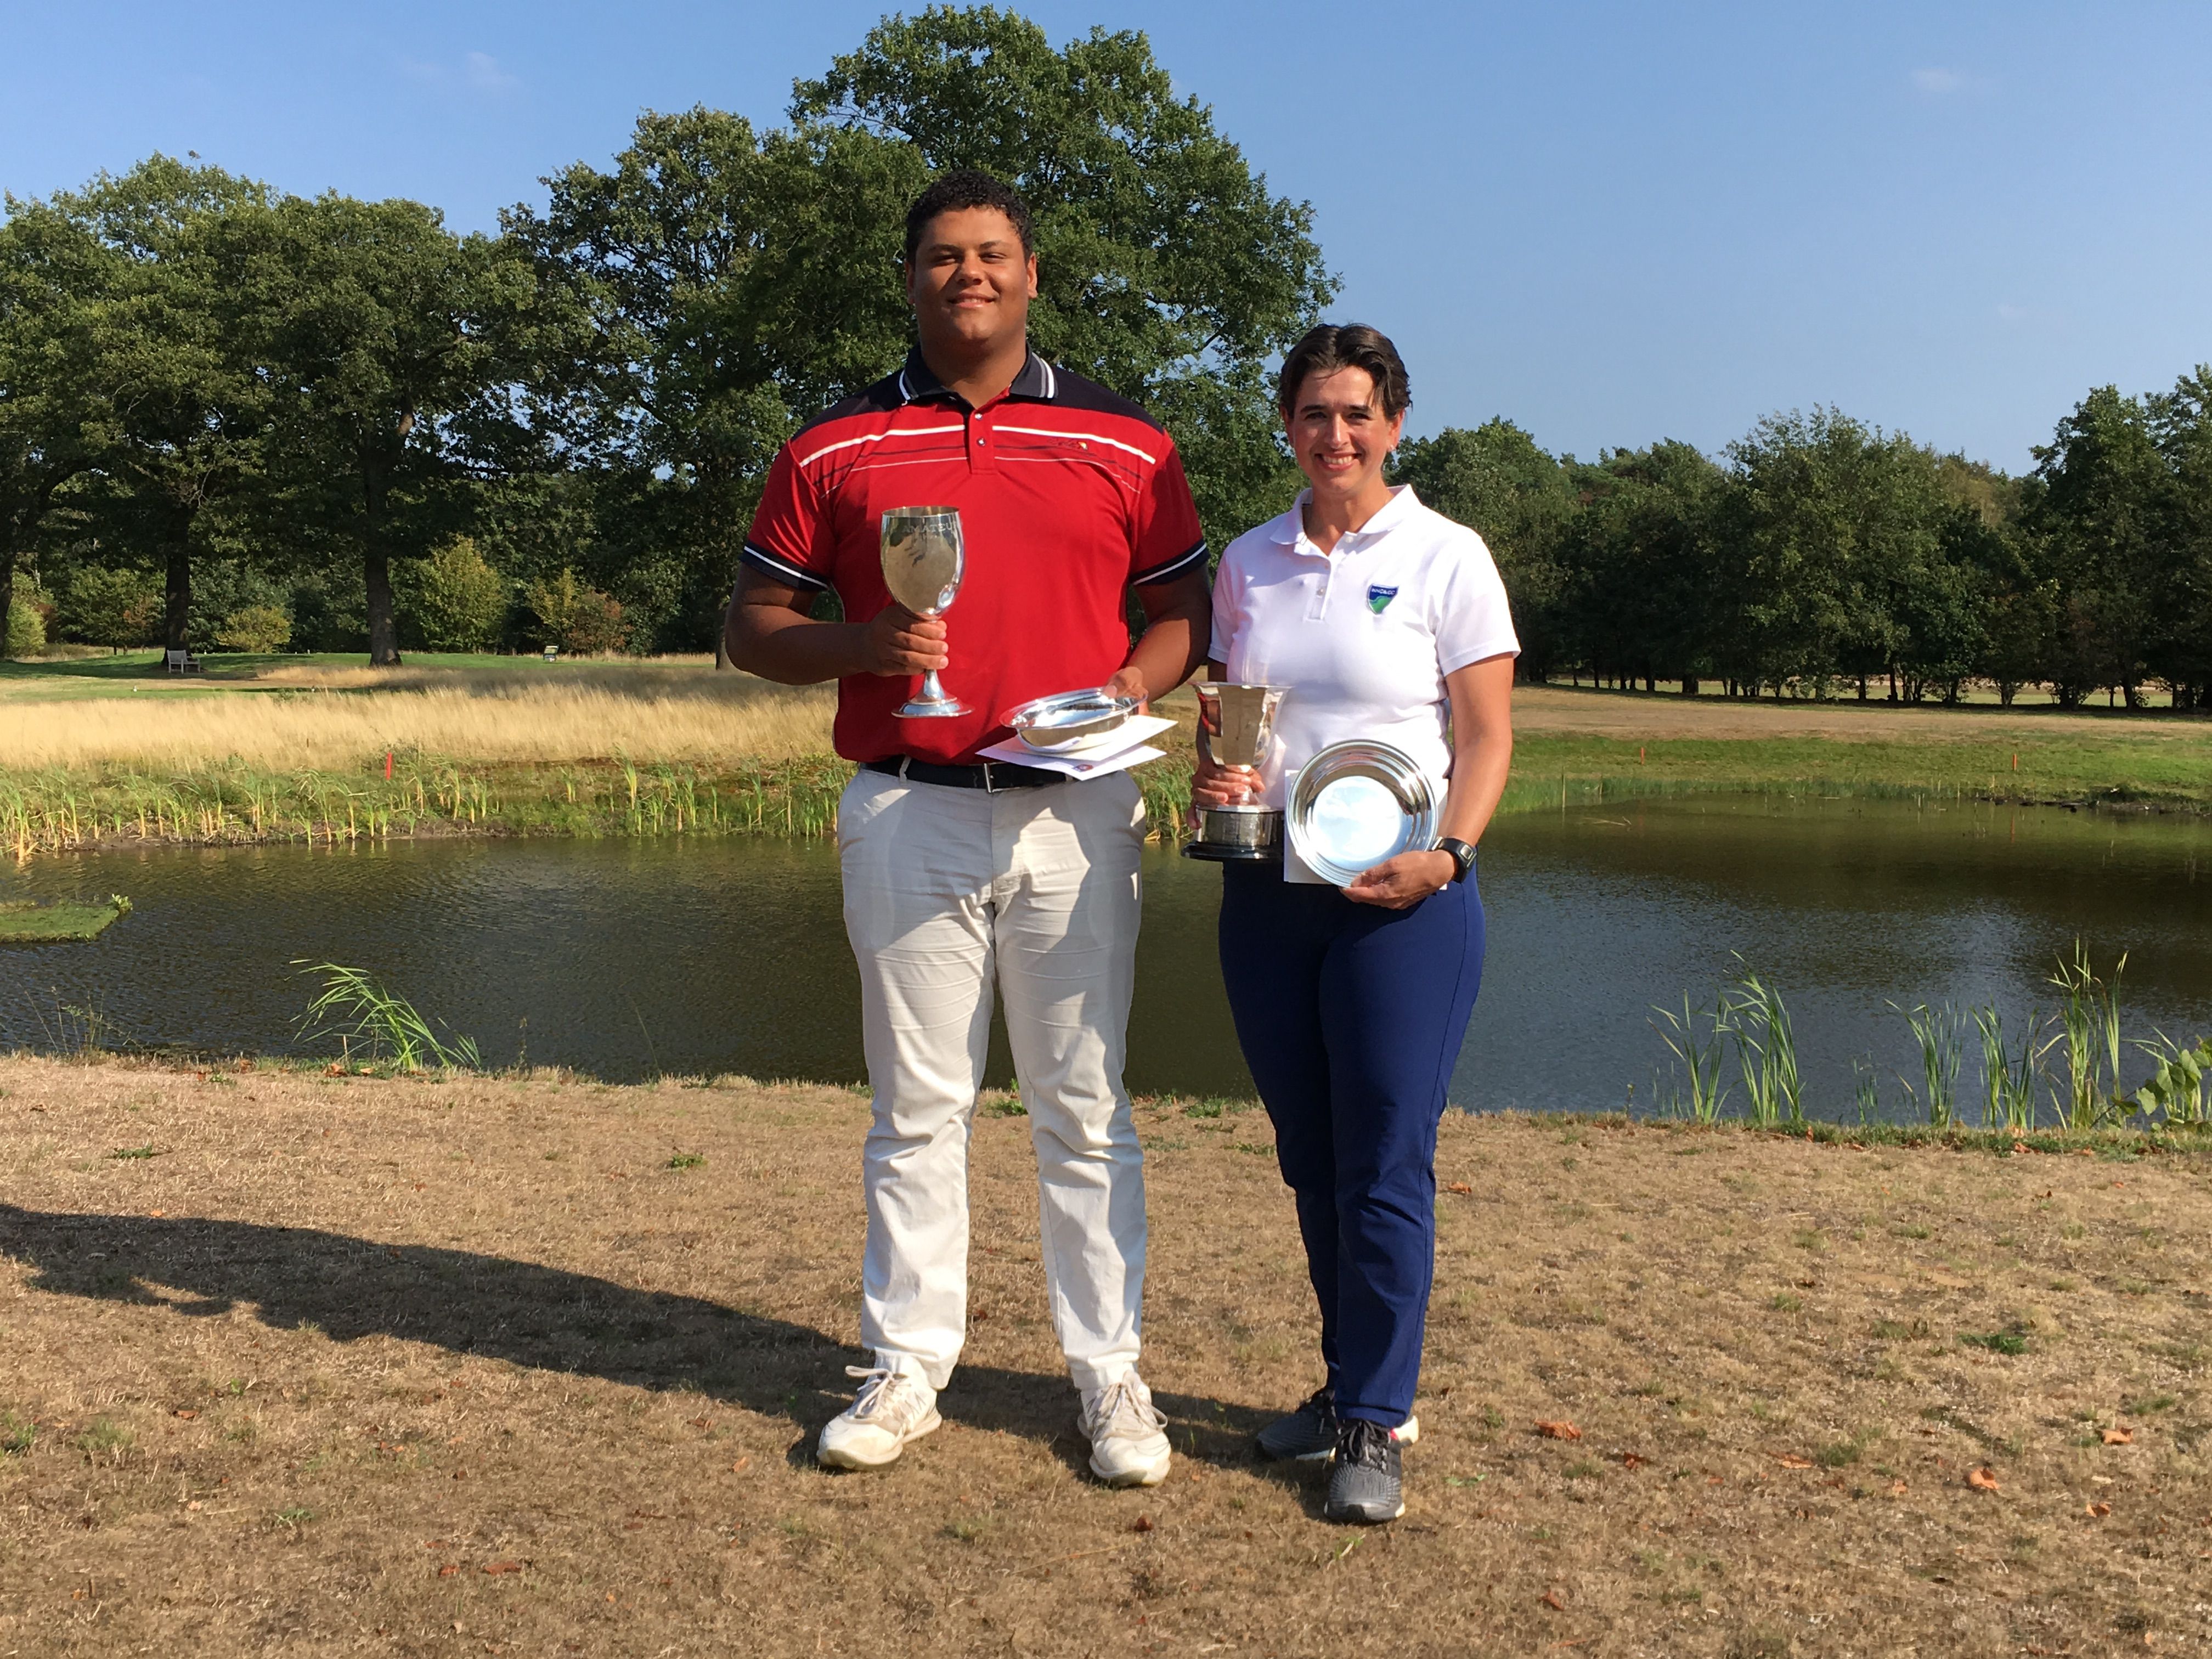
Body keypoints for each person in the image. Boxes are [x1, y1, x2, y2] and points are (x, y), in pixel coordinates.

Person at [727, 170, 1212, 1487]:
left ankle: (1109, 1374)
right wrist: (865, 641)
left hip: (1077, 811)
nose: (969, 276)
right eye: (943, 258)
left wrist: (1138, 684)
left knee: (1085, 1107)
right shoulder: (832, 449)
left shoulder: (1129, 444)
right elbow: (750, 630)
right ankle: (909, 1364)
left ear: (1034, 275)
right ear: (910, 280)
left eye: (992, 255)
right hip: (906, 805)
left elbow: (1185, 612)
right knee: (915, 1107)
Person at [1192, 323, 1517, 1523]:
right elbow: (1232, 721)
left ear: (1394, 425)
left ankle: (1378, 1421)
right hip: (1269, 889)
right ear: (1287, 422)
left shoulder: (1446, 555)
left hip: (1405, 901)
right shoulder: (1250, 560)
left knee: (1384, 1162)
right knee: (1312, 1158)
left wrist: (1448, 855)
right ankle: (1344, 1392)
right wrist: (1213, 783)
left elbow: (1486, 739)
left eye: (1358, 412)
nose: (1336, 433)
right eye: (1315, 412)